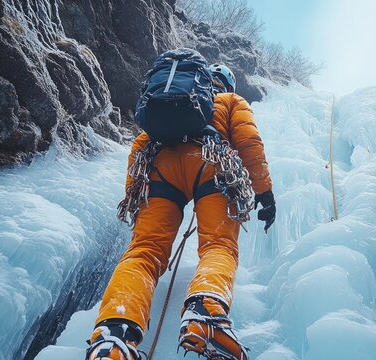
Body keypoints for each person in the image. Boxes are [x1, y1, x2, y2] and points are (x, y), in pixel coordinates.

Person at [85, 63, 276, 360]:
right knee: (218, 245)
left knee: (143, 252)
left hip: (159, 171)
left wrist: (134, 193)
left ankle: (113, 334)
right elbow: (249, 141)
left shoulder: (168, 105)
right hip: (212, 163)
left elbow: (140, 143)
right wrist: (264, 193)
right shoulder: (229, 102)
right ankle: (206, 313)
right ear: (227, 85)